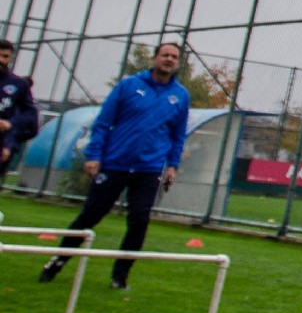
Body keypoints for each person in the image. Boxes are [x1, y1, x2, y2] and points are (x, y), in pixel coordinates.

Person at [40, 41, 191, 291]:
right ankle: (57, 261)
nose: (169, 59)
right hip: (115, 164)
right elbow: (103, 123)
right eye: (164, 54)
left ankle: (120, 277)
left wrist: (172, 165)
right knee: (91, 215)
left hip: (149, 169)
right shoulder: (129, 86)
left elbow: (178, 135)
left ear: (178, 63)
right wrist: (93, 155)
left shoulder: (180, 95)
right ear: (154, 58)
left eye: (174, 56)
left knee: (139, 220)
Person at [0, 38, 41, 184]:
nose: (1, 60)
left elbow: (30, 115)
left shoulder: (18, 84)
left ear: (11, 58)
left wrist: (10, 127)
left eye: (5, 56)